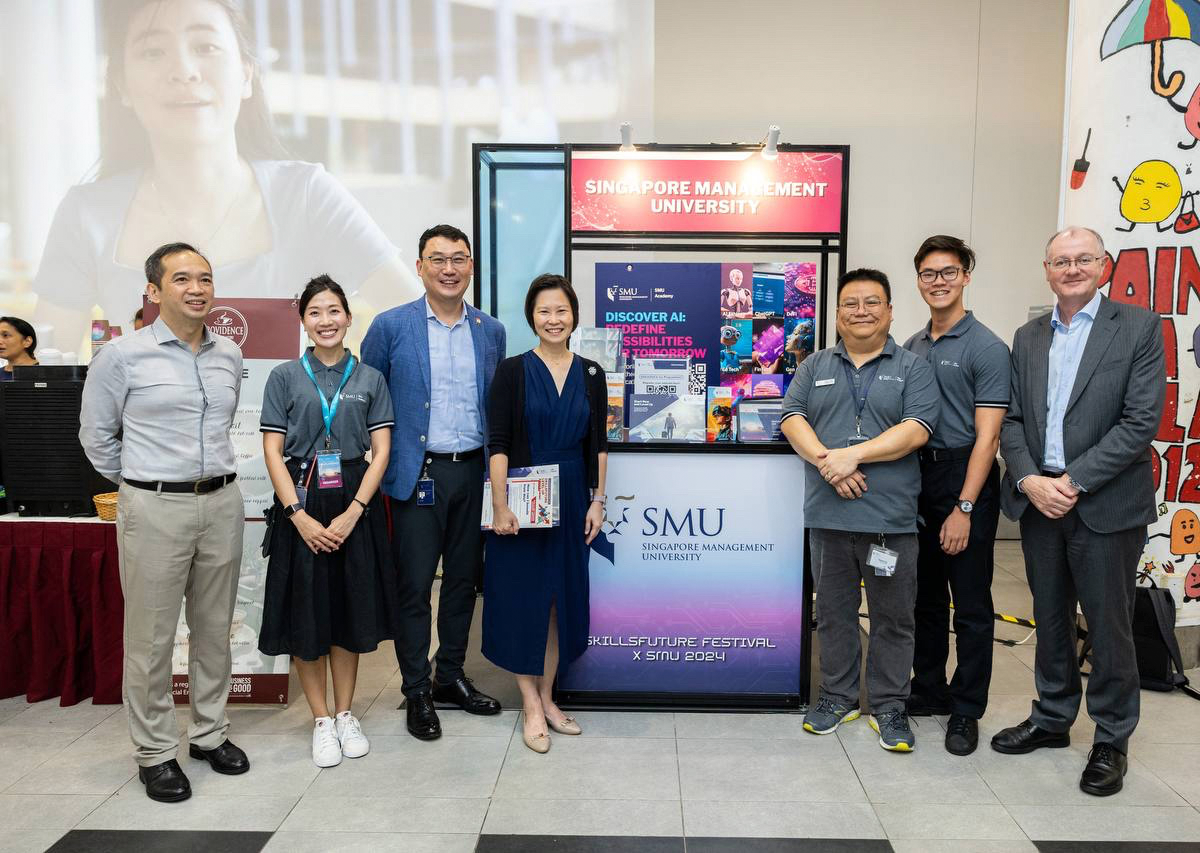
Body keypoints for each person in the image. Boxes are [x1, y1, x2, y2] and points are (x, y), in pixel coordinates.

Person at [33, 0, 419, 352]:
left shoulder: (305, 194)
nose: (183, 71)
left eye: (205, 47)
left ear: (246, 74)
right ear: (122, 86)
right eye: (153, 52)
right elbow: (35, 371)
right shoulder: (87, 213)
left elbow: (423, 325)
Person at [994, 226, 1166, 796]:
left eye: (1083, 259)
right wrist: (1028, 479)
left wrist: (1073, 480)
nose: (1071, 269)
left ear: (1105, 266)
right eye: (1060, 261)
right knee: (1049, 618)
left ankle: (1112, 737)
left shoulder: (1139, 328)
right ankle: (1052, 717)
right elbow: (1013, 419)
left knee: (1109, 623)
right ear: (1046, 270)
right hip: (1040, 501)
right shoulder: (1028, 335)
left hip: (1105, 503)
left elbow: (1141, 422)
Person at [80, 242, 248, 802]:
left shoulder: (227, 353)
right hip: (153, 507)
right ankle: (154, 751)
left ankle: (208, 732)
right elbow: (97, 438)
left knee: (214, 629)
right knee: (150, 640)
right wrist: (140, 484)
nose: (197, 288)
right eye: (182, 278)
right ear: (153, 292)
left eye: (205, 277)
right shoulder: (121, 357)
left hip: (222, 502)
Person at [780, 268, 939, 753]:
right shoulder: (813, 365)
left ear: (890, 310)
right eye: (851, 303)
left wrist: (855, 454)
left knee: (893, 618)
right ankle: (836, 697)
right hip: (828, 519)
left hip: (890, 520)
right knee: (833, 614)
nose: (861, 311)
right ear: (837, 313)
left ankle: (890, 705)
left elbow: (917, 428)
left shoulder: (913, 367)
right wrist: (831, 463)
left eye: (873, 302)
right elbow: (792, 418)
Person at [361, 224, 506, 740]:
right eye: (437, 259)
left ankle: (450, 677)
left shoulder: (490, 330)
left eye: (459, 259)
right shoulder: (390, 326)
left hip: (472, 470)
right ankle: (416, 689)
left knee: (464, 582)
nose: (449, 268)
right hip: (416, 476)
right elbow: (368, 398)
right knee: (415, 587)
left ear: (471, 266)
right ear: (420, 266)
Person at [258, 275, 400, 768]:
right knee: (306, 614)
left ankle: (345, 713)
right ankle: (320, 720)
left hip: (353, 504)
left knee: (348, 612)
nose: (326, 321)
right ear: (303, 320)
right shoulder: (283, 377)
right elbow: (273, 451)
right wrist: (295, 515)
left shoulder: (370, 378)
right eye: (315, 312)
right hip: (301, 502)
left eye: (334, 311)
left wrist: (356, 511)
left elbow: (381, 450)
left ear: (348, 316)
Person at [484, 274, 608, 753]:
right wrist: (499, 505)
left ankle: (549, 697)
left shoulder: (591, 374)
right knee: (523, 601)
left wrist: (598, 500)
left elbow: (597, 443)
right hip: (523, 501)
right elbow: (497, 443)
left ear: (573, 315)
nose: (553, 319)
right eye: (544, 311)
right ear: (531, 317)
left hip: (574, 496)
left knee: (559, 603)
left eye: (561, 310)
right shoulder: (512, 371)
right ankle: (530, 704)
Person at [902, 235, 1010, 756]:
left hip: (965, 475)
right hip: (917, 479)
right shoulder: (913, 344)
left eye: (948, 272)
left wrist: (964, 507)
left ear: (966, 275)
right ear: (918, 280)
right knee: (924, 598)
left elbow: (988, 437)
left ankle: (966, 710)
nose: (938, 281)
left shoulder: (986, 347)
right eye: (928, 273)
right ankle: (928, 690)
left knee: (969, 605)